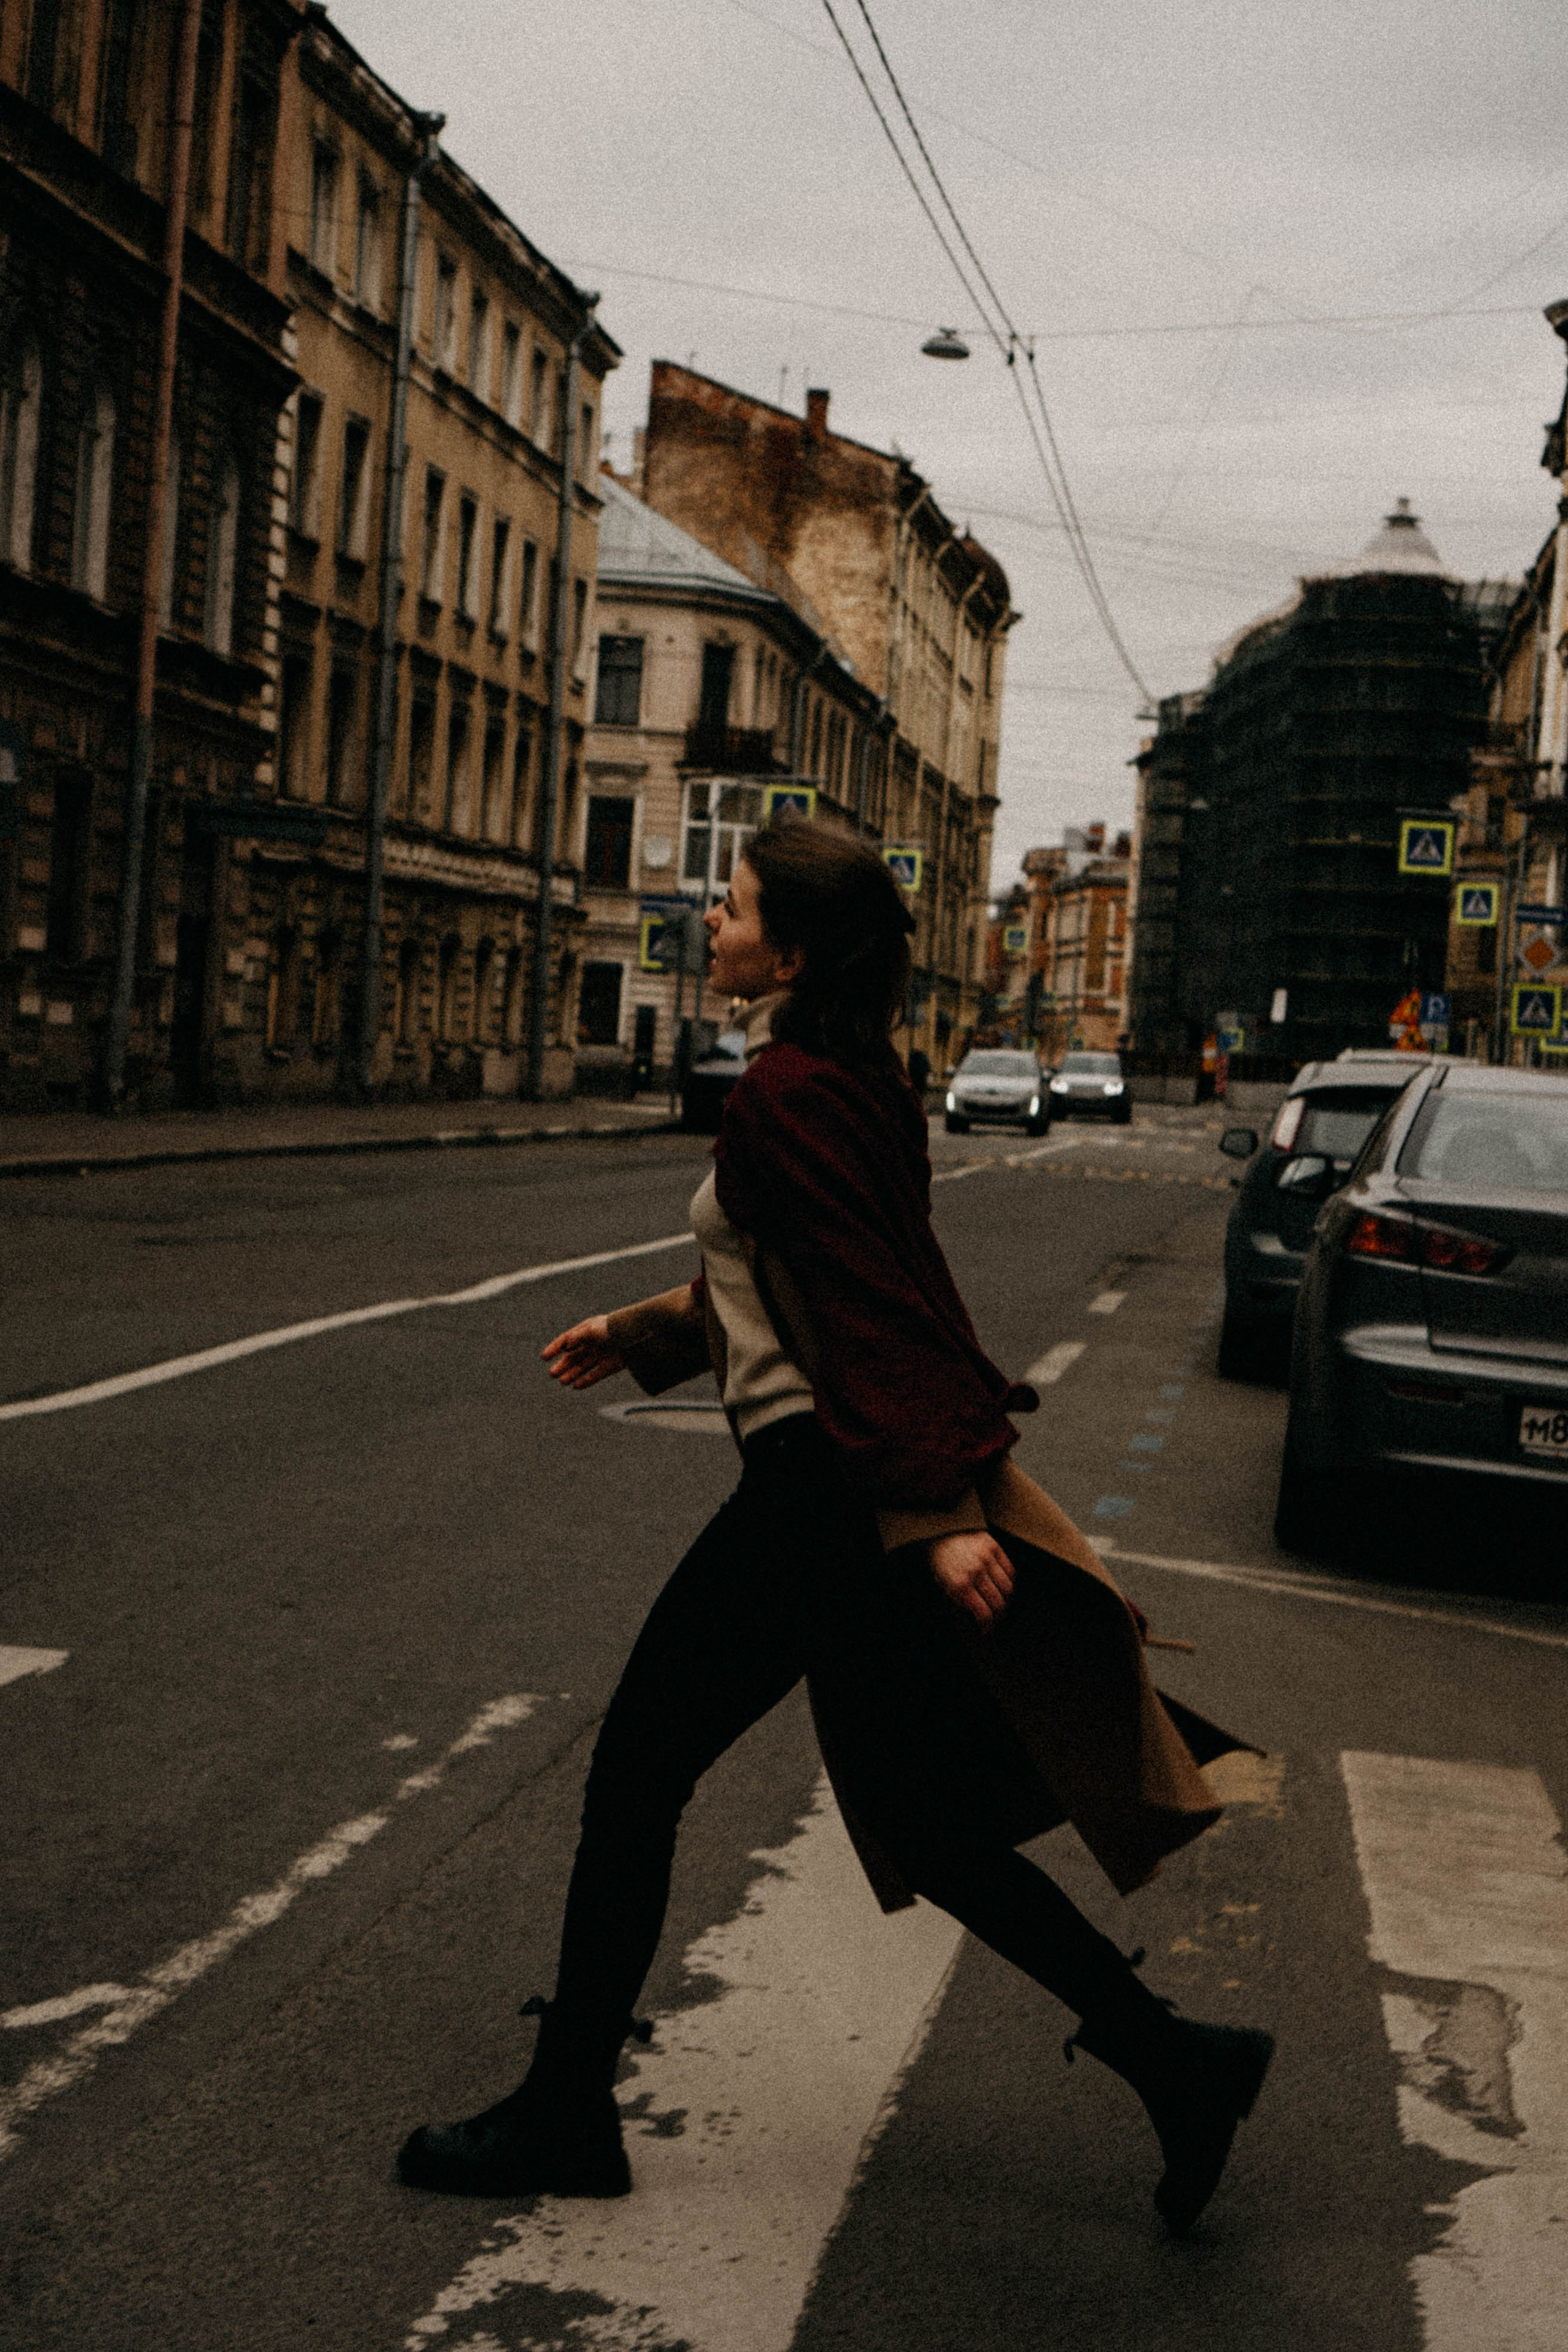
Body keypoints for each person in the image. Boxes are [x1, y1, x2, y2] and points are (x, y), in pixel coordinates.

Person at [397, 819, 1272, 2234]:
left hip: (815, 1497)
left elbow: (872, 1309)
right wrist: (644, 1334)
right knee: (931, 1828)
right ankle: (1176, 2062)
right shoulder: (853, 1080)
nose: (716, 919)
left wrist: (926, 1511)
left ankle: (565, 2112)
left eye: (735, 907)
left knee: (633, 1777)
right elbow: (789, 1282)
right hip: (845, 1494)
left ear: (789, 952)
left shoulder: (786, 1094)